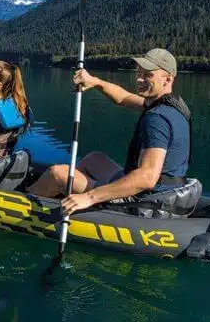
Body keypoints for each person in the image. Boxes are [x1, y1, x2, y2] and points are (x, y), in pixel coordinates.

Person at [26, 48, 192, 216]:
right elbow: (123, 98)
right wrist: (95, 82)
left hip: (146, 200)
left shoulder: (156, 119)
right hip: (165, 190)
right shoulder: (170, 105)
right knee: (94, 159)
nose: (139, 78)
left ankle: (23, 203)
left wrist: (90, 197)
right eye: (139, 72)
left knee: (57, 173)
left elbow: (147, 178)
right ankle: (65, 197)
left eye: (148, 74)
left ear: (167, 79)